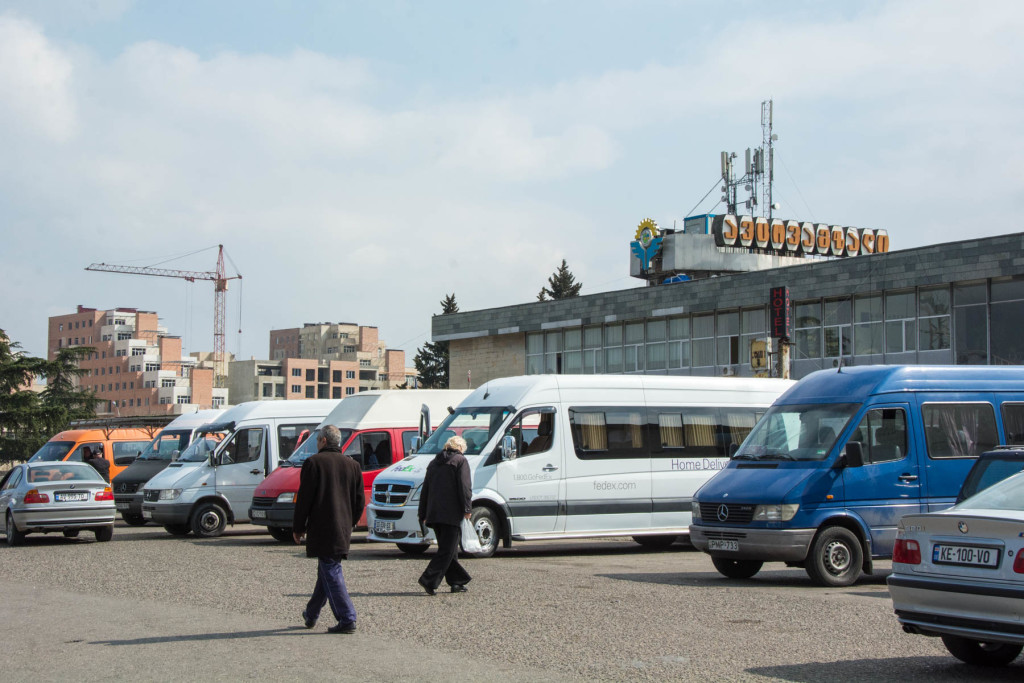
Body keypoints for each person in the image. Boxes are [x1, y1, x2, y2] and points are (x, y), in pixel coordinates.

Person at [292, 424, 365, 634]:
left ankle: (347, 617)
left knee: (330, 569)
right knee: (326, 569)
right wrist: (351, 521)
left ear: (323, 441)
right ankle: (311, 613)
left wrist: (298, 527)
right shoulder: (353, 465)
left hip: (322, 526)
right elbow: (359, 500)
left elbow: (304, 499)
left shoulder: (314, 463)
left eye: (317, 441)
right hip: (343, 526)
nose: (316, 444)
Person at [417, 435, 472, 595]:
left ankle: (456, 582)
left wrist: (422, 513)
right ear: (460, 448)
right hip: (451, 513)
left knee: (449, 549)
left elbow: (425, 489)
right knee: (447, 551)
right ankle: (428, 580)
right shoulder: (460, 461)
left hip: (434, 513)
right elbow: (464, 487)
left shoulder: (433, 463)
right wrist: (467, 508)